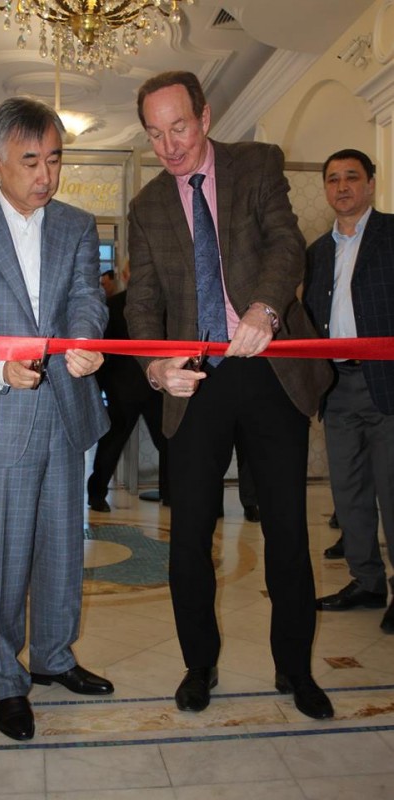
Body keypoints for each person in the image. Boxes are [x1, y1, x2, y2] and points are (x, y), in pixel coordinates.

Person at [125, 71, 334, 719]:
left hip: (267, 368)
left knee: (286, 530)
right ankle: (199, 665)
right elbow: (142, 303)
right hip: (195, 381)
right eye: (155, 134)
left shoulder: (256, 164)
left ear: (206, 116)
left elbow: (285, 244)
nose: (169, 146)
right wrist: (156, 367)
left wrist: (266, 307)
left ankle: (294, 669)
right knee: (188, 534)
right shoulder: (147, 206)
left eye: (179, 128)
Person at [0, 96, 114, 742]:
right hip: (0, 413)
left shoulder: (77, 225)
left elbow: (88, 298)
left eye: (54, 160)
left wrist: (85, 340)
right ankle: (4, 681)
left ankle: (54, 657)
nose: (45, 175)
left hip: (66, 408)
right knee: (2, 559)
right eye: (30, 161)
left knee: (63, 548)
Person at [303, 148, 394, 634]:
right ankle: (367, 581)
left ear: (371, 183)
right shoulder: (317, 251)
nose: (342, 187)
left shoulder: (391, 234)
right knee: (349, 490)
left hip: (387, 384)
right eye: (333, 178)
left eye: (352, 177)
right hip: (337, 386)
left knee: (392, 491)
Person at [87, 263, 169, 511]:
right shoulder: (158, 305)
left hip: (134, 387)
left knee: (118, 441)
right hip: (140, 387)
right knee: (159, 441)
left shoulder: (116, 305)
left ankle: (97, 494)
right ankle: (170, 493)